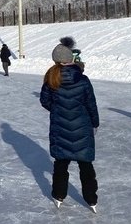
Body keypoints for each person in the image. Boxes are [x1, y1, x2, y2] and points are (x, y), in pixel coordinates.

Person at [40, 36, 100, 212]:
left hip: (60, 127)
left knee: (61, 164)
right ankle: (91, 199)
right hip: (82, 127)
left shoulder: (51, 78)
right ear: (70, 59)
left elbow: (44, 101)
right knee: (85, 165)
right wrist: (94, 122)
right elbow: (91, 103)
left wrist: (58, 110)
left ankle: (59, 195)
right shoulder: (83, 80)